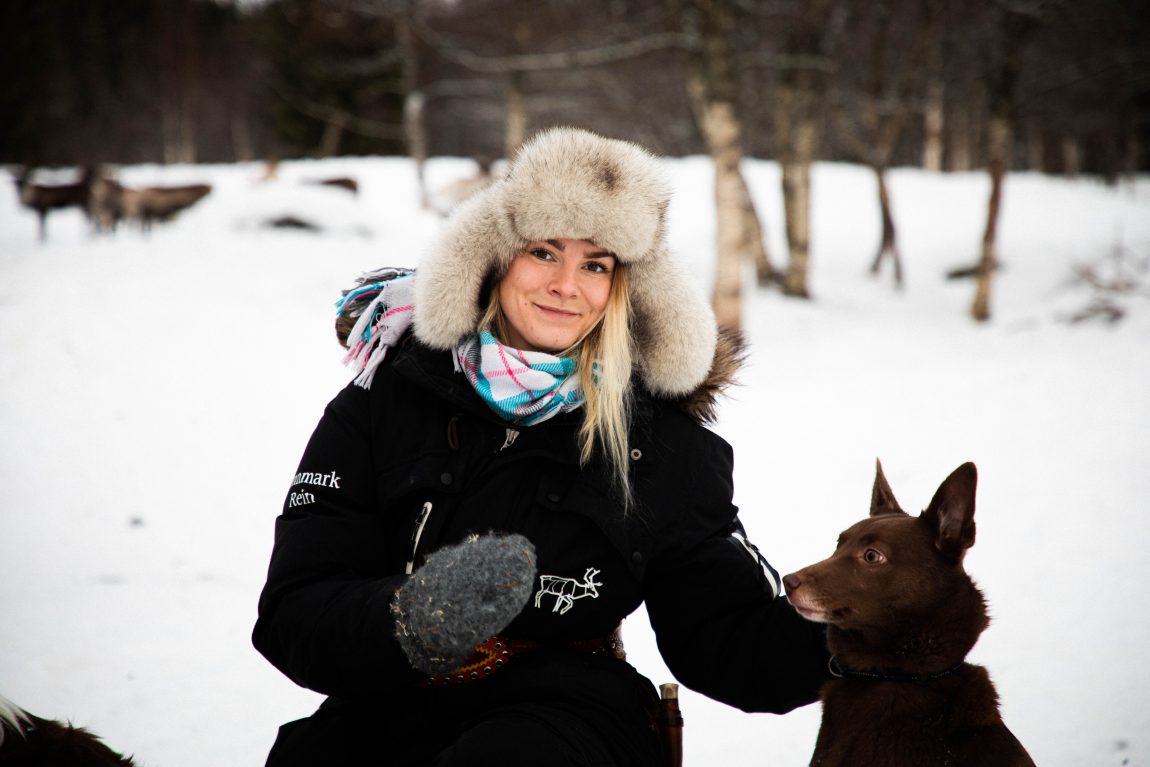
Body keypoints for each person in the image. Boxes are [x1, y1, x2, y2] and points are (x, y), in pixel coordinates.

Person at [253, 127, 830, 767]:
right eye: (545, 252)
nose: (566, 285)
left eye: (595, 264)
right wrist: (410, 618)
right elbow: (295, 610)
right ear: (496, 258)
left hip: (570, 717)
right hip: (391, 697)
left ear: (621, 288)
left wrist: (860, 626)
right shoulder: (387, 394)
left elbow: (730, 642)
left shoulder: (659, 442)